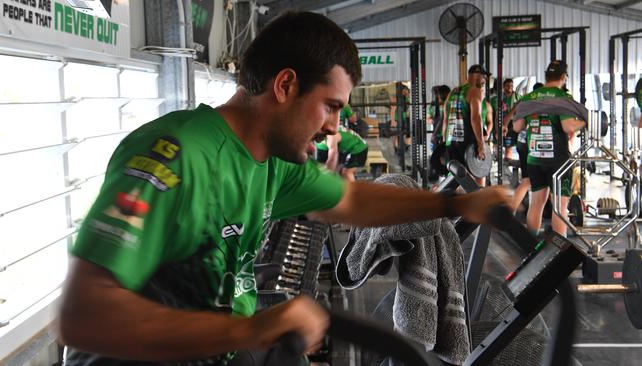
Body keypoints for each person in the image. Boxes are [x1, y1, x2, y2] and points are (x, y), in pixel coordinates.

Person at [57, 11, 509, 366]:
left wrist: (459, 203)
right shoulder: (174, 156)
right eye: (329, 107)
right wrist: (250, 330)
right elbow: (84, 316)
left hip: (220, 349)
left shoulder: (271, 161)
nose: (334, 126)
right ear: (285, 85)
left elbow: (351, 200)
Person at [513, 61, 586, 237]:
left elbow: (517, 126)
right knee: (559, 207)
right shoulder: (562, 97)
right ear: (563, 77)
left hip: (534, 159)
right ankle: (559, 255)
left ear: (546, 76)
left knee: (536, 203)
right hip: (557, 162)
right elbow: (569, 126)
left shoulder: (530, 97)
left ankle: (530, 247)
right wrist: (586, 121)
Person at [442, 64, 490, 186]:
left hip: (451, 141)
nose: (485, 81)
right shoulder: (475, 91)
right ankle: (478, 204)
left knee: (455, 179)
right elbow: (476, 118)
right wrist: (481, 144)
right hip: (467, 142)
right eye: (484, 77)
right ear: (478, 76)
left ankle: (455, 203)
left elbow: (445, 120)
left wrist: (444, 143)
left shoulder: (453, 92)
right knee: (478, 173)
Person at [508, 82, 543, 213]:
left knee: (527, 180)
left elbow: (516, 125)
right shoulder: (542, 105)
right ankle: (511, 211)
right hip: (532, 146)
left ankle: (511, 212)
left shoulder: (525, 103)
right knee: (532, 182)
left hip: (522, 145)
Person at [492, 78, 521, 160]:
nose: (510, 87)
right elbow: (496, 115)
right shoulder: (498, 98)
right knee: (498, 147)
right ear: (503, 87)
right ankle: (500, 166)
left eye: (511, 85)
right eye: (507, 85)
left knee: (509, 147)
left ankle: (507, 164)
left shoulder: (518, 97)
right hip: (500, 122)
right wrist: (497, 130)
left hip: (512, 124)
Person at [390, 84, 411, 154]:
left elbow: (407, 109)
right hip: (397, 119)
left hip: (404, 119)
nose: (406, 92)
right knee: (397, 135)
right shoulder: (395, 98)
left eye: (407, 91)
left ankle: (403, 148)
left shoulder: (406, 98)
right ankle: (397, 150)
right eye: (405, 90)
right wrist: (393, 121)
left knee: (404, 134)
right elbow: (392, 110)